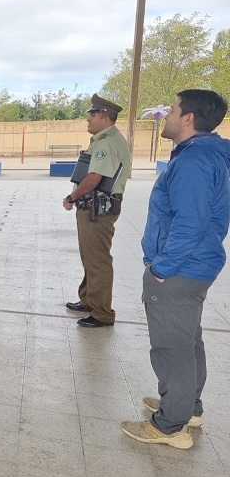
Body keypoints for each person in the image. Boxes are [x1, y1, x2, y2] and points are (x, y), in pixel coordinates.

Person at [121, 89, 230, 450]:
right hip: (196, 265)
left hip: (180, 268)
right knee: (187, 340)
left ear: (188, 118)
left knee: (172, 348)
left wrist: (162, 267)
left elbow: (190, 222)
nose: (166, 115)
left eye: (172, 110)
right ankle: (186, 407)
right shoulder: (207, 153)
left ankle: (170, 426)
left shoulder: (194, 161)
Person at [62, 94, 132, 328]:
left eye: (92, 115)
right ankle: (89, 300)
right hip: (93, 207)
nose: (88, 120)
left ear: (105, 117)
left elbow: (93, 179)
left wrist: (72, 197)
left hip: (98, 208)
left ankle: (102, 313)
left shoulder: (106, 143)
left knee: (98, 259)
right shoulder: (102, 140)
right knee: (90, 256)